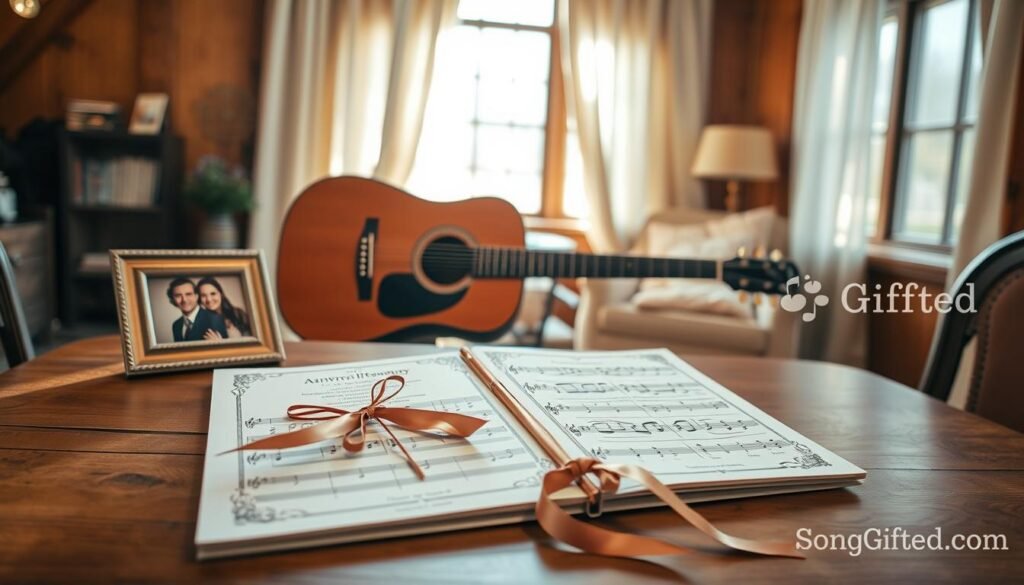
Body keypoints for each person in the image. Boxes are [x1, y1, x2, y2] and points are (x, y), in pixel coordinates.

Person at [166, 277, 228, 342]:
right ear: (172, 300)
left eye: (188, 294)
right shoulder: (176, 325)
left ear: (196, 296)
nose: (184, 300)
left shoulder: (215, 319)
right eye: (178, 295)